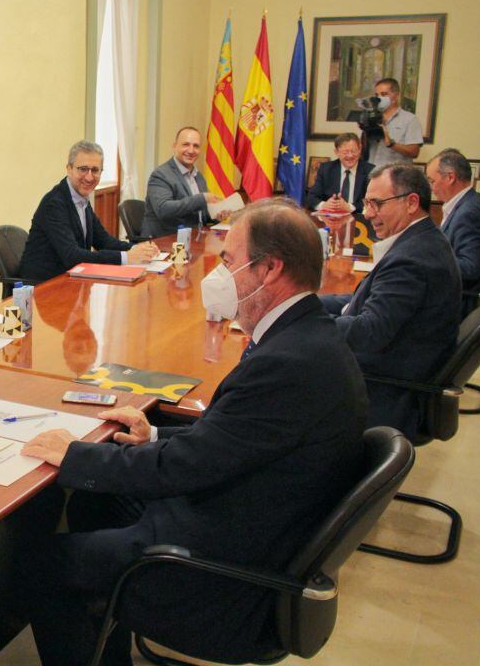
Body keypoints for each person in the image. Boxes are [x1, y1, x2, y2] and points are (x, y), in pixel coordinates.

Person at [19, 199, 367, 665]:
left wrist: (76, 455)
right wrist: (155, 437)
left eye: (229, 261)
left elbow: (186, 469)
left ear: (269, 270)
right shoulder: (308, 339)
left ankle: (105, 603)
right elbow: (230, 443)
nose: (220, 275)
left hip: (222, 572)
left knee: (38, 567)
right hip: (250, 517)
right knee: (93, 501)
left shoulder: (286, 364)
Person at [321, 164, 461, 441]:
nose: (368, 213)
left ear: (411, 203)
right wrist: (310, 304)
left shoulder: (412, 260)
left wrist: (306, 324)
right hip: (395, 366)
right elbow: (365, 303)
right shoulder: (421, 241)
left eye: (376, 203)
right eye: (366, 203)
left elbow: (370, 331)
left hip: (384, 387)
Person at [19, 141, 156, 282]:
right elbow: (72, 256)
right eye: (83, 169)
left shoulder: (81, 198)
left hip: (72, 280)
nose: (89, 177)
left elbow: (103, 241)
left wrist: (139, 249)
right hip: (44, 287)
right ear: (69, 169)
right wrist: (126, 257)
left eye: (95, 170)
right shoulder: (54, 203)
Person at [427, 148, 480, 315]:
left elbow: (471, 267)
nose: (431, 188)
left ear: (450, 177)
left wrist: (426, 263)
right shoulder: (470, 202)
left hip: (451, 303)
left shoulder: (469, 212)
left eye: (432, 181)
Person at [141, 126, 229, 237]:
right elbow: (163, 209)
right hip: (164, 242)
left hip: (194, 239)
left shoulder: (199, 177)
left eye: (196, 146)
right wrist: (201, 198)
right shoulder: (160, 175)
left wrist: (217, 216)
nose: (191, 150)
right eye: (186, 145)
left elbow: (201, 217)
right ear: (174, 146)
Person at [305, 133, 373, 213]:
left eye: (354, 151)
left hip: (359, 219)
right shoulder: (326, 169)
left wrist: (350, 207)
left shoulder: (370, 171)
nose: (350, 155)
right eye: (345, 152)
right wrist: (324, 205)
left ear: (360, 149)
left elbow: (372, 201)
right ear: (336, 152)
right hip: (331, 217)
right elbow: (311, 197)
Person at [365, 78, 423, 166]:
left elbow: (414, 152)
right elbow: (364, 151)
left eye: (384, 94)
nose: (379, 98)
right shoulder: (371, 117)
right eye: (377, 95)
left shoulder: (410, 119)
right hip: (372, 174)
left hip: (396, 176)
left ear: (396, 96)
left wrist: (391, 144)